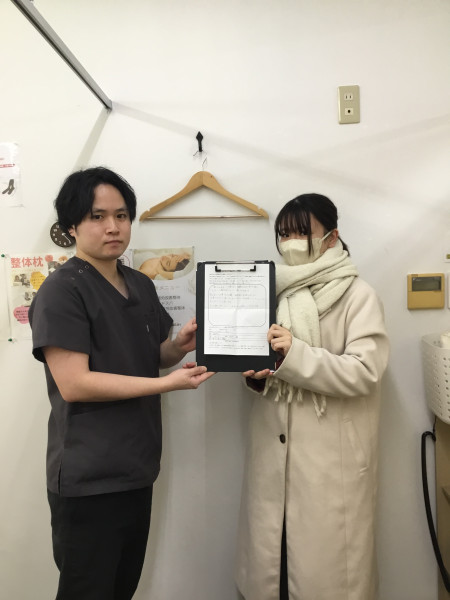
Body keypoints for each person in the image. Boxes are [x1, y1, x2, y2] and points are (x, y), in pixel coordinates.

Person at [29, 166, 214, 600]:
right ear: (71, 226)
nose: (112, 227)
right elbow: (75, 384)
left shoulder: (140, 284)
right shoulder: (62, 291)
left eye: (121, 215)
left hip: (137, 469)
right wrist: (166, 385)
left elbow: (150, 357)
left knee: (121, 590)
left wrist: (178, 346)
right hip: (89, 479)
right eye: (97, 216)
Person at [235, 193, 389, 600]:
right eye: (284, 234)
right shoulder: (274, 294)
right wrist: (258, 378)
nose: (291, 243)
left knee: (327, 577)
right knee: (276, 573)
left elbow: (366, 371)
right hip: (274, 463)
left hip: (329, 468)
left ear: (331, 236)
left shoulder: (358, 295)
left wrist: (295, 354)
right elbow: (274, 372)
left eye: (302, 233)